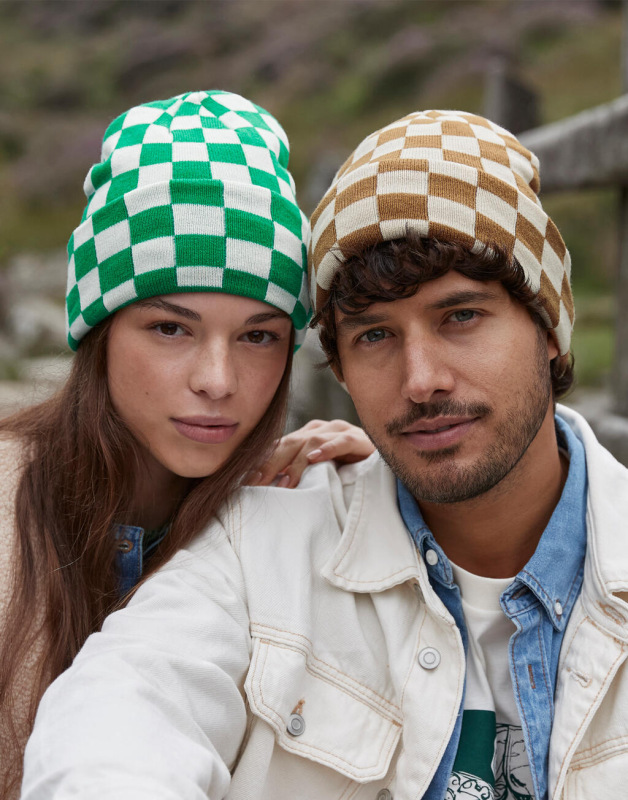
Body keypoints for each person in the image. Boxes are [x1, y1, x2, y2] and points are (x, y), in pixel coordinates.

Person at [21, 111, 628, 799]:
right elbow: (122, 716)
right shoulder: (256, 542)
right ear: (337, 367)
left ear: (551, 329)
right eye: (374, 336)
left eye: (460, 317)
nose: (421, 378)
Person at [0, 89, 374, 799]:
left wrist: (385, 481)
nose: (217, 380)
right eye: (171, 328)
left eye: (259, 336)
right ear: (99, 330)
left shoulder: (285, 502)